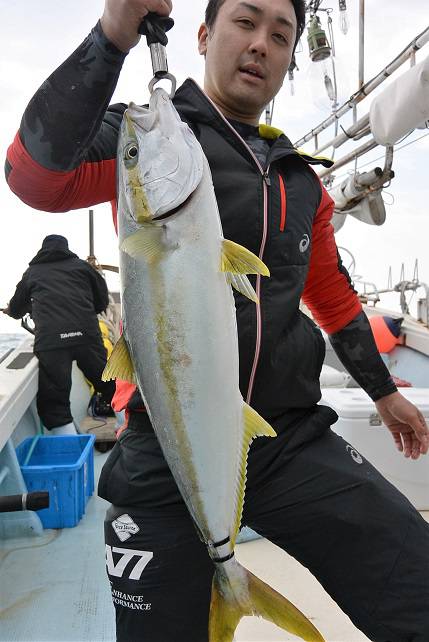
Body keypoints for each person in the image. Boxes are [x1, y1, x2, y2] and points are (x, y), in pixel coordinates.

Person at [5, 0, 429, 640]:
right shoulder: (146, 138)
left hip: (283, 437)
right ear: (203, 36)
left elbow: (335, 300)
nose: (262, 44)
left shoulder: (299, 181)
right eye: (245, 22)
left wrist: (383, 394)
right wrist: (115, 35)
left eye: (280, 35)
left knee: (415, 580)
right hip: (165, 447)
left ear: (288, 58)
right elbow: (35, 178)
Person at [4, 235, 116, 435]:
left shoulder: (32, 272)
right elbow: (101, 300)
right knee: (107, 383)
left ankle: (70, 448)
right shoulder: (83, 268)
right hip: (86, 337)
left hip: (51, 343)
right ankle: (117, 419)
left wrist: (11, 311)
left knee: (54, 402)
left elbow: (17, 308)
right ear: (66, 248)